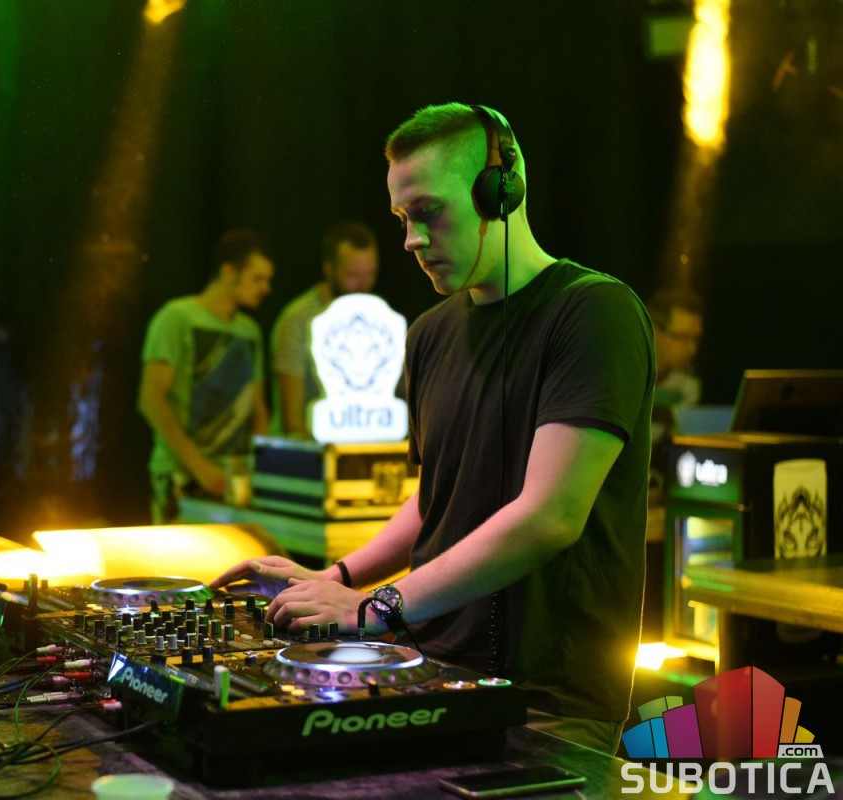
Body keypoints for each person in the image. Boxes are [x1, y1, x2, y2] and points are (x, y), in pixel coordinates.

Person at [213, 103, 654, 755]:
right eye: (402, 218)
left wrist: (375, 607)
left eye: (427, 212)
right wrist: (338, 577)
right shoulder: (429, 333)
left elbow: (550, 515)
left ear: (501, 192)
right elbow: (433, 497)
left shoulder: (593, 312)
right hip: (430, 667)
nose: (411, 240)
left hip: (547, 702)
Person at [138, 229, 274, 523]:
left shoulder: (249, 331)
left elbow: (258, 409)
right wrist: (200, 468)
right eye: (257, 278)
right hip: (181, 477)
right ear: (228, 272)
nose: (266, 288)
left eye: (267, 280)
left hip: (234, 481)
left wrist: (260, 471)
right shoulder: (177, 316)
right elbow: (151, 400)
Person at [270, 222, 379, 435]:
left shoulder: (377, 317)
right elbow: (292, 423)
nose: (363, 285)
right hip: (309, 450)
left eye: (371, 274)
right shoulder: (298, 320)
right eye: (353, 275)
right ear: (329, 270)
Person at [647, 287, 704, 443]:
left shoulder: (688, 384)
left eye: (695, 339)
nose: (692, 349)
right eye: (682, 337)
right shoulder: (619, 374)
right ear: (654, 331)